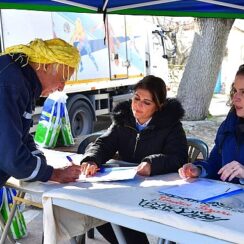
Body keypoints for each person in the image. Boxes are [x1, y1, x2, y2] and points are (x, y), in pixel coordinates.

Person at [80, 75, 188, 244]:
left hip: (155, 190)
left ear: (158, 106)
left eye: (147, 102)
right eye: (136, 98)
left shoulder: (171, 125)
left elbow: (179, 158)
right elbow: (104, 143)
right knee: (97, 209)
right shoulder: (123, 119)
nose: (138, 105)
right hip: (126, 185)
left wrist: (152, 163)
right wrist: (92, 159)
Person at [0, 38, 83, 188]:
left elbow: (21, 136)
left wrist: (40, 160)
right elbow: (11, 156)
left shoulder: (21, 78)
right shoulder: (11, 84)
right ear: (46, 65)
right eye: (62, 78)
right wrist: (54, 174)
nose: (61, 88)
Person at [179, 64, 244, 184]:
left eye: (243, 92)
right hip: (227, 199)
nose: (235, 98)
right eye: (235, 91)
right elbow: (216, 162)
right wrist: (199, 169)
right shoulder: (229, 125)